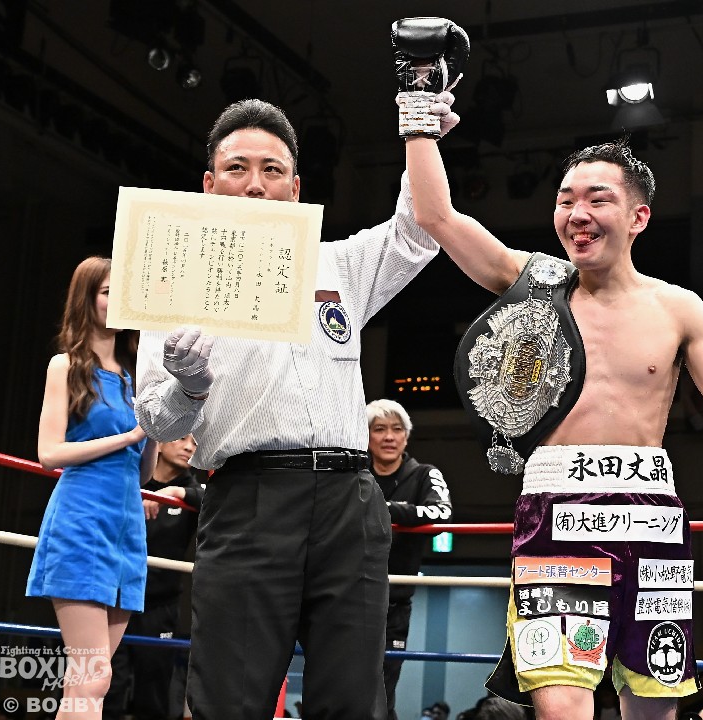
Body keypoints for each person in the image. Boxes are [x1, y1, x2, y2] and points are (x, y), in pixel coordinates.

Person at [396, 21, 703, 719]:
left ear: (638, 216)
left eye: (597, 198)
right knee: (561, 707)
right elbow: (437, 216)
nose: (577, 213)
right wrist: (418, 105)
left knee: (652, 709)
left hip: (650, 521)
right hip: (555, 515)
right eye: (566, 199)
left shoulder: (679, 307)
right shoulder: (532, 284)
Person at [134, 34, 467, 718]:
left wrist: (419, 121)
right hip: (249, 499)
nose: (254, 183)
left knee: (353, 704)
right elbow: (156, 419)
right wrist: (188, 385)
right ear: (210, 185)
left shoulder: (337, 264)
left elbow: (418, 233)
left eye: (271, 170)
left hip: (351, 501)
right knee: (228, 703)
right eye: (237, 168)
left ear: (295, 187)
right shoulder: (169, 278)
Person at [27, 256, 157, 720]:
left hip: (125, 527)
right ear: (87, 298)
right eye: (107, 291)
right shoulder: (64, 366)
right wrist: (128, 435)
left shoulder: (134, 375)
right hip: (81, 519)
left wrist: (156, 428)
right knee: (92, 675)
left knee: (90, 681)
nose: (117, 300)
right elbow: (49, 453)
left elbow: (142, 474)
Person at [103, 434, 204, 720]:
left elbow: (219, 501)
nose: (189, 447)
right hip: (116, 597)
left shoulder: (191, 489)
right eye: (182, 438)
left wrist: (176, 493)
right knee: (108, 685)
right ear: (158, 442)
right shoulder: (132, 476)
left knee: (154, 690)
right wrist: (144, 495)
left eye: (195, 442)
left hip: (160, 604)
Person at [366, 399, 453, 720]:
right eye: (379, 429)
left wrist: (386, 509)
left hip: (395, 599)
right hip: (348, 595)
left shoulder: (425, 474)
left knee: (385, 685)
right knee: (346, 681)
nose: (389, 437)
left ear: (406, 436)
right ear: (366, 436)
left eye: (397, 429)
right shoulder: (354, 473)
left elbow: (442, 513)